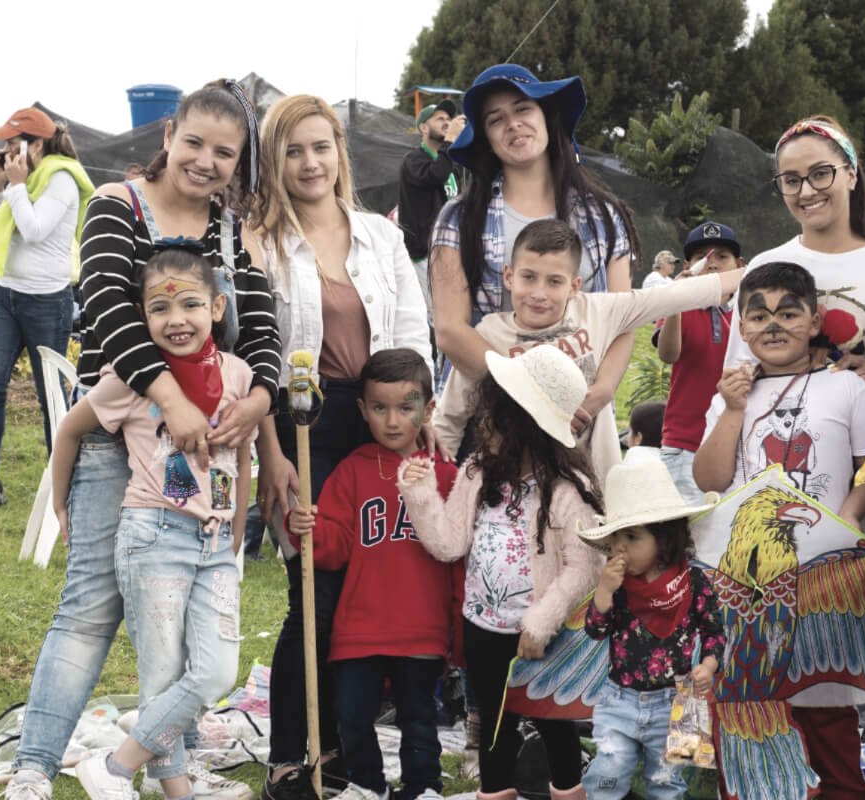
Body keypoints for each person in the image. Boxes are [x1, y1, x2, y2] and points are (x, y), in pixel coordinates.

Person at [4, 79, 277, 800]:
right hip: (115, 439)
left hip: (205, 459)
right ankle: (34, 767)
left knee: (184, 628)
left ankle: (174, 772)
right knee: (90, 609)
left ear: (239, 161)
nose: (206, 161)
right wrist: (169, 399)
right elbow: (106, 309)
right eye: (194, 142)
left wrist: (260, 397)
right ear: (167, 137)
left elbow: (265, 330)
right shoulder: (113, 206)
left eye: (225, 152)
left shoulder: (228, 234)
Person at [719, 115, 865, 796]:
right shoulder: (772, 265)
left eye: (820, 173)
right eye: (791, 179)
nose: (806, 190)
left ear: (852, 172)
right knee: (803, 671)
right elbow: (741, 379)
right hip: (794, 511)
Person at [250, 93, 432, 800]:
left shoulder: (381, 239)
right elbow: (257, 351)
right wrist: (272, 453)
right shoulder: (262, 241)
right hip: (305, 427)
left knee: (378, 590)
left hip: (382, 415)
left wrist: (418, 424)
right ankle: (294, 756)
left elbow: (415, 337)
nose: (309, 162)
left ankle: (350, 751)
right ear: (274, 161)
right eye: (293, 150)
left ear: (339, 153)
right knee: (315, 596)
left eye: (320, 146)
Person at [50, 245, 255, 800]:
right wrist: (59, 499)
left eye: (190, 304)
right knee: (162, 677)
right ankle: (177, 792)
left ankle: (116, 765)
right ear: (143, 320)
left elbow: (243, 458)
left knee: (215, 672)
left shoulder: (238, 377)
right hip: (153, 537)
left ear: (217, 308)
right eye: (159, 310)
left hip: (212, 545)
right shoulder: (131, 379)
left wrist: (235, 531)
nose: (175, 319)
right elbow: (70, 428)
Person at [693, 261, 865, 796]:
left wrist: (848, 516)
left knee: (825, 702)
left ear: (814, 320)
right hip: (743, 582)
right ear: (742, 326)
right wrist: (733, 408)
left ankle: (841, 789)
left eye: (787, 312)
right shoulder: (730, 395)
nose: (772, 325)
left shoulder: (847, 389)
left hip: (824, 574)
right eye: (757, 316)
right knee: (748, 699)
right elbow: (708, 478)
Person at [398, 345, 604, 800]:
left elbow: (583, 568)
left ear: (527, 424)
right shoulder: (477, 473)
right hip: (484, 629)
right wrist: (420, 494)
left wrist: (541, 621)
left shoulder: (571, 491)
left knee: (555, 728)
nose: (482, 424)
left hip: (542, 636)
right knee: (494, 726)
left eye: (495, 415)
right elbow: (449, 544)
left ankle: (568, 791)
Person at [432, 219, 744, 481]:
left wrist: (780, 260)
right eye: (528, 277)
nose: (539, 293)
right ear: (509, 276)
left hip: (589, 489)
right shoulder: (488, 333)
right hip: (510, 491)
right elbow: (450, 419)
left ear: (574, 285)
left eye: (554, 281)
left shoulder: (598, 311)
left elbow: (690, 291)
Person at [286, 348, 460, 800]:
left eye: (406, 407)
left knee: (418, 715)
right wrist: (308, 528)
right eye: (380, 408)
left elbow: (459, 551)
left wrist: (458, 627)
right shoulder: (351, 472)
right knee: (352, 714)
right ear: (362, 410)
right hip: (360, 626)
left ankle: (423, 786)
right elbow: (334, 549)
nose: (393, 420)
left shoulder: (444, 475)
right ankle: (366, 785)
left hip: (421, 627)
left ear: (429, 408)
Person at [429, 62, 639, 430]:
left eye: (523, 108)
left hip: (581, 420)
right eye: (495, 119)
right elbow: (450, 329)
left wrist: (602, 390)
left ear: (546, 116)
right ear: (487, 139)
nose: (512, 123)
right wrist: (532, 397)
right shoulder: (459, 218)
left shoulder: (603, 214)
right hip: (491, 420)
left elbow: (623, 317)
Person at [575, 459, 724, 800]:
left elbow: (715, 632)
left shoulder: (695, 581)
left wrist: (710, 666)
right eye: (614, 538)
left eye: (632, 536)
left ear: (664, 537)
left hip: (683, 700)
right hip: (619, 698)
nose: (619, 548)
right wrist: (603, 593)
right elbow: (596, 631)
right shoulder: (619, 585)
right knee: (607, 775)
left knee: (669, 784)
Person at [0, 107, 93, 507]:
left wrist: (16, 185)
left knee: (51, 395)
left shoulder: (60, 178)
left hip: (47, 300)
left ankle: (61, 477)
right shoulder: (16, 180)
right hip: (6, 295)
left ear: (36, 143)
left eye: (12, 142)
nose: (5, 149)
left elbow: (34, 229)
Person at [654, 221, 745, 503]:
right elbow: (668, 354)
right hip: (685, 445)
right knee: (688, 538)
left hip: (739, 445)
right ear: (688, 264)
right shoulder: (679, 309)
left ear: (739, 264)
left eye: (722, 256)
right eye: (702, 257)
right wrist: (676, 304)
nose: (712, 263)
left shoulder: (751, 311)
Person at [398, 99, 467, 312]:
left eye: (449, 119)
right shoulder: (414, 160)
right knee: (437, 315)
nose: (446, 123)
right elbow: (434, 176)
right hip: (424, 255)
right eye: (440, 119)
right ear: (423, 128)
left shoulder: (448, 162)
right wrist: (451, 140)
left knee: (455, 309)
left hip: (450, 250)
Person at [622, 400, 664, 466]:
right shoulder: (672, 458)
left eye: (630, 431)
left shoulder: (634, 455)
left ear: (638, 438)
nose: (628, 436)